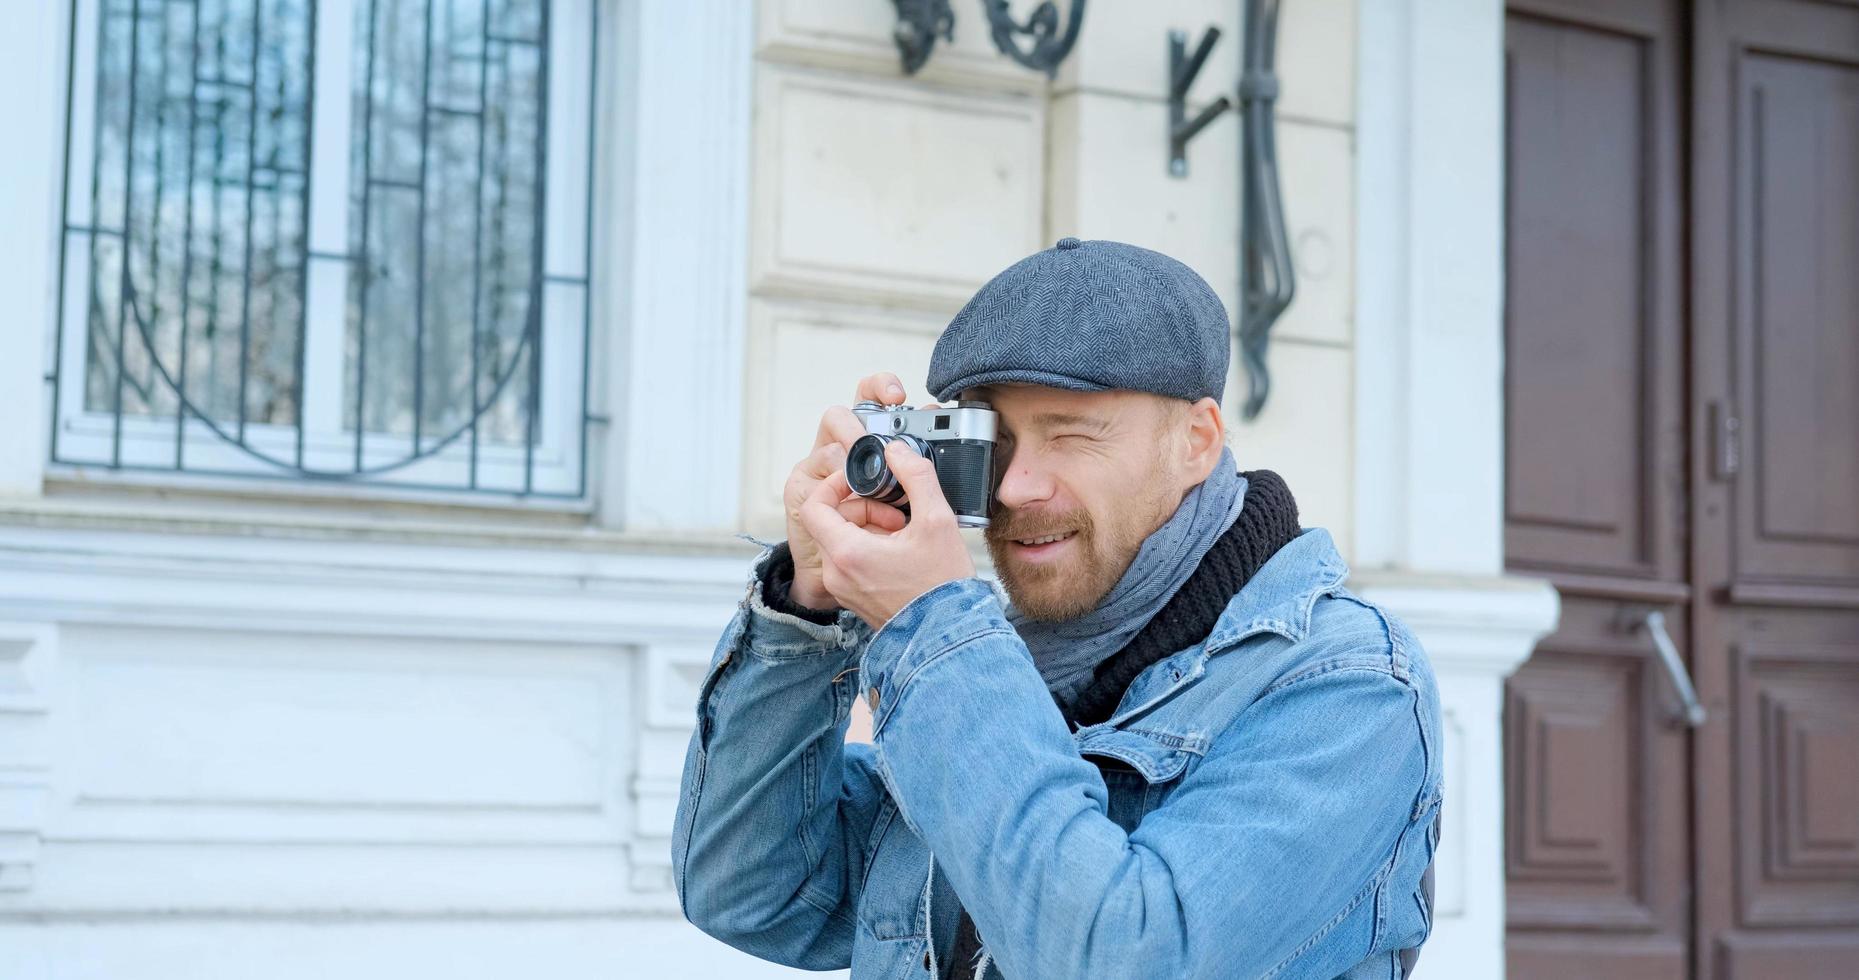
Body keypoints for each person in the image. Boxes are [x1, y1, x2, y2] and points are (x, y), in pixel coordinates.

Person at [672, 238, 1443, 979]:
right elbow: (748, 894)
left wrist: (937, 625)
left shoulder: (1351, 684)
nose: (1016, 487)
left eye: (1070, 434)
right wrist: (806, 610)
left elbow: (1123, 958)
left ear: (1196, 441)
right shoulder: (981, 681)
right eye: (995, 442)